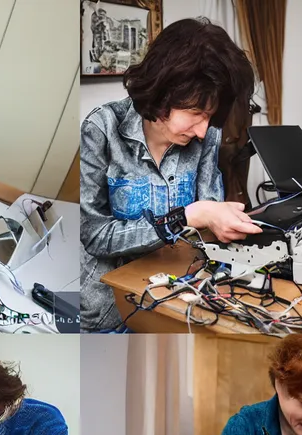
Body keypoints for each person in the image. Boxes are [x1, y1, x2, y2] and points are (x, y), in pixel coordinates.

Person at [77, 18, 257, 332]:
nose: (204, 130)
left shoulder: (207, 136)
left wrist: (223, 223)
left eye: (211, 116)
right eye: (196, 113)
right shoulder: (101, 130)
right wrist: (185, 217)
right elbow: (94, 235)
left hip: (177, 303)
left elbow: (208, 219)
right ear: (164, 93)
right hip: (108, 313)